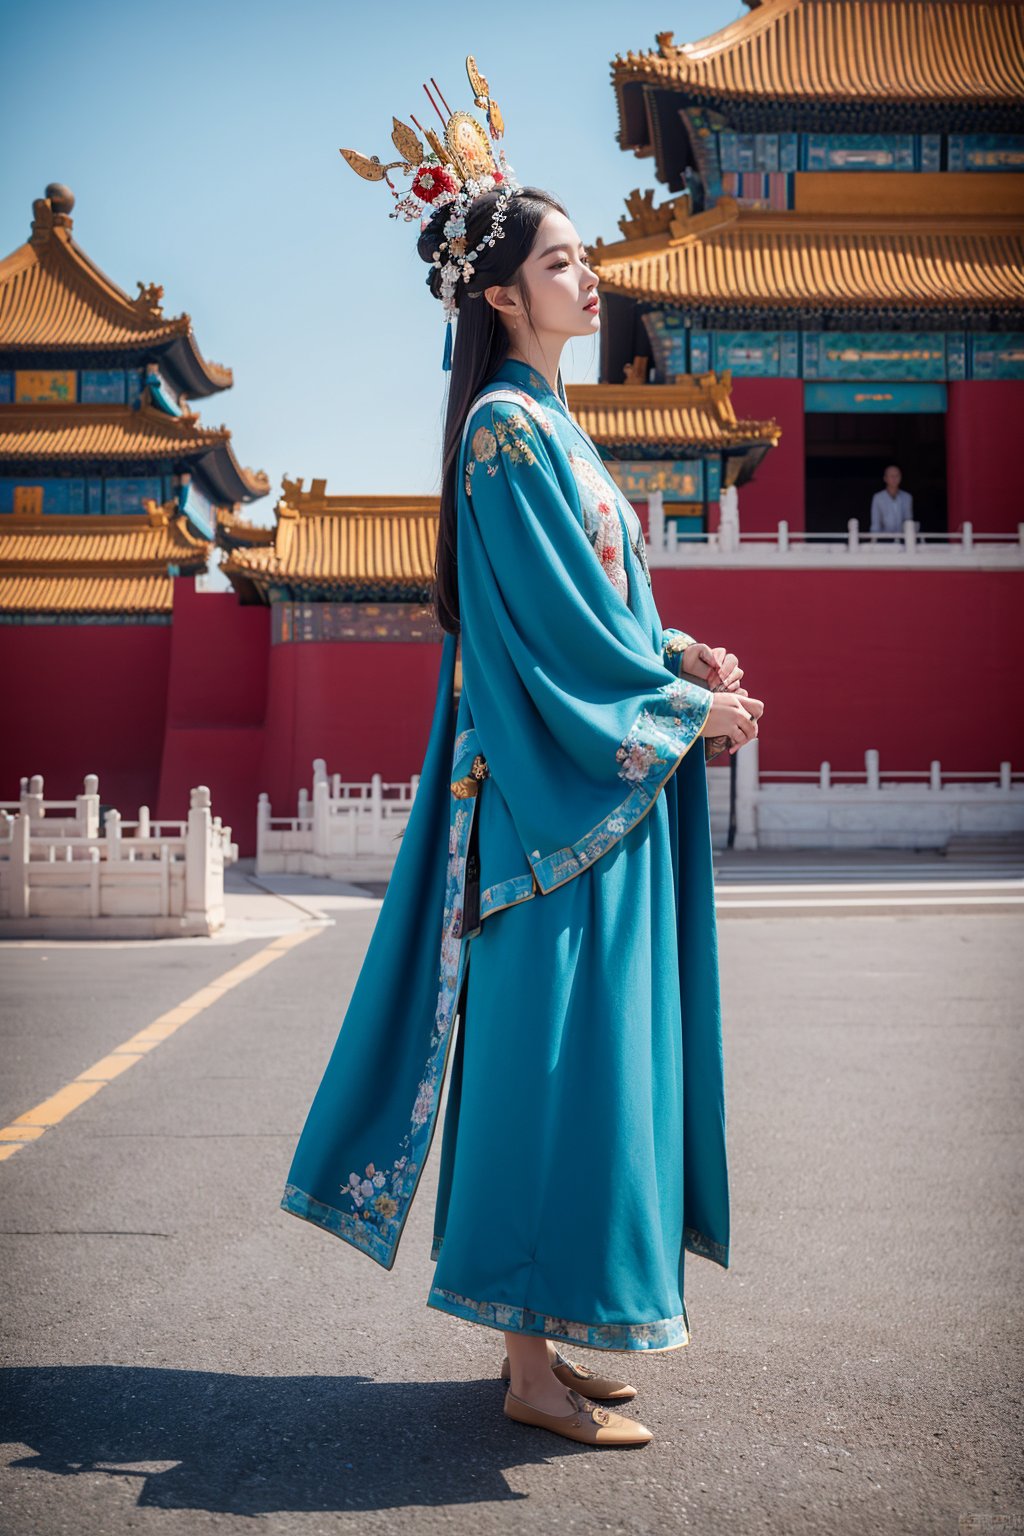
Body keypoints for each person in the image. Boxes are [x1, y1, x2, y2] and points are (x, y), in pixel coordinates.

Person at [281, 60, 764, 1451]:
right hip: (554, 814)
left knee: (587, 1072)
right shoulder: (505, 434)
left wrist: (678, 664)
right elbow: (545, 636)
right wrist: (676, 719)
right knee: (554, 1076)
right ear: (501, 295)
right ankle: (530, 1369)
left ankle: (551, 1345)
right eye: (562, 261)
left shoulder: (556, 432)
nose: (591, 277)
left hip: (593, 800)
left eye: (588, 256)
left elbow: (604, 616)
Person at [870, 464, 914, 539]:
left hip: (903, 539)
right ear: (885, 478)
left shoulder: (907, 497)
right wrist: (874, 541)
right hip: (884, 539)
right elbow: (875, 523)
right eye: (891, 476)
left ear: (900, 478)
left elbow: (908, 520)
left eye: (897, 476)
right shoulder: (878, 498)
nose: (894, 479)